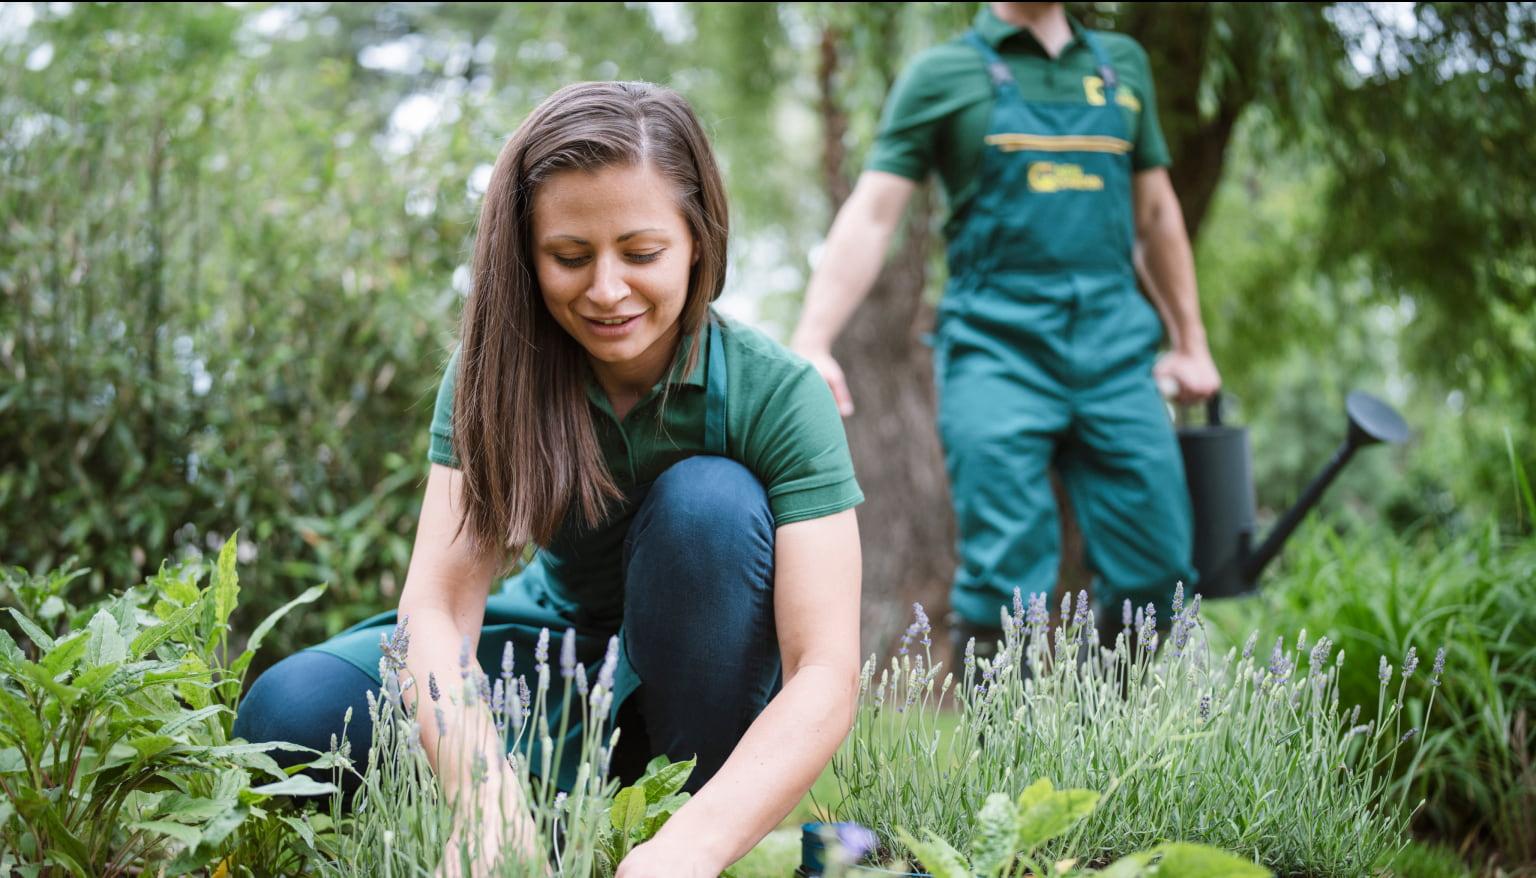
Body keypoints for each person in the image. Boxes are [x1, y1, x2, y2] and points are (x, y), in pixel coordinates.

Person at [233, 81, 864, 878]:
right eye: (570, 257)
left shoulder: (779, 392)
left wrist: (689, 849)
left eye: (641, 254)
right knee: (286, 716)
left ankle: (687, 819)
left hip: (699, 692)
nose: (606, 290)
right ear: (528, 254)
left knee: (709, 503)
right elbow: (437, 607)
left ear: (699, 240)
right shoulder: (494, 374)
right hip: (549, 664)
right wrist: (481, 801)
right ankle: (529, 817)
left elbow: (825, 672)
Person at [789, 2, 1219, 654]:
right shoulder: (943, 74)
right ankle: (1012, 757)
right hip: (995, 354)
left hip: (1115, 352)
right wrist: (812, 340)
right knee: (1005, 575)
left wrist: (1191, 342)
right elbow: (874, 215)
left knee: (1159, 569)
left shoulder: (1121, 66)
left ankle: (1126, 750)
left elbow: (1155, 214)